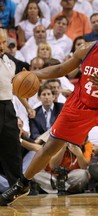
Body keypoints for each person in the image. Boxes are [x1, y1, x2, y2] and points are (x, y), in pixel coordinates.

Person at [0, 20, 98, 206]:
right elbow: (61, 69)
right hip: (79, 105)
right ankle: (22, 184)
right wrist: (35, 74)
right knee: (50, 147)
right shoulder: (87, 49)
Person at [0, 28, 34, 197]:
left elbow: (15, 89)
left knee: (12, 148)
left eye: (3, 42)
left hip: (7, 107)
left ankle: (17, 185)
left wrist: (27, 107)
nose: (1, 45)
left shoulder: (10, 62)